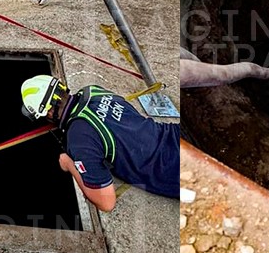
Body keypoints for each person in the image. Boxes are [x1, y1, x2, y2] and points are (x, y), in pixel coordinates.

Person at [20, 75, 180, 211]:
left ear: (48, 112)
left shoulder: (79, 138)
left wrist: (69, 164)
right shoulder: (93, 91)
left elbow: (107, 203)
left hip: (173, 168)